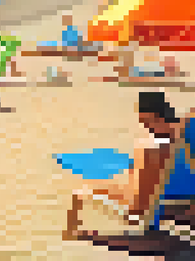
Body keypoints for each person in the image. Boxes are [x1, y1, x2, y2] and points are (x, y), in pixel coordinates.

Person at [63, 92, 184, 241]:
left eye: (147, 123)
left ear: (157, 118)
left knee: (79, 193)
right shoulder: (188, 143)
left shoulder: (149, 150)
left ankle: (72, 233)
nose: (146, 128)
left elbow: (138, 205)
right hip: (182, 205)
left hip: (148, 212)